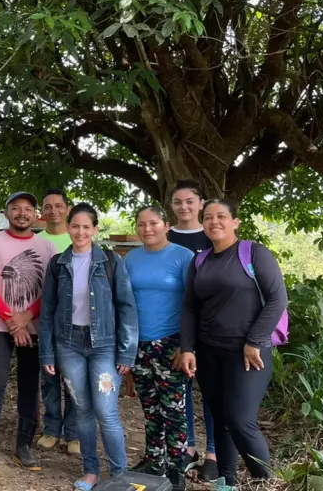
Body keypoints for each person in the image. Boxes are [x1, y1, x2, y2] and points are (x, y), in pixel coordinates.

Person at [180, 199, 288, 485]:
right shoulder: (200, 260)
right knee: (221, 420)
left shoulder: (254, 253)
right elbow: (190, 306)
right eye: (208, 217)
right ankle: (226, 482)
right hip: (208, 351)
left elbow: (278, 298)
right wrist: (188, 347)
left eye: (221, 216)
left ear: (235, 222)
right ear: (202, 223)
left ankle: (266, 482)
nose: (214, 222)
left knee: (241, 420)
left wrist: (254, 340)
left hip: (249, 352)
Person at [39, 203, 138, 491]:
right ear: (68, 228)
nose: (80, 231)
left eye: (86, 226)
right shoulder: (58, 263)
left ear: (95, 229)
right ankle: (91, 471)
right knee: (81, 410)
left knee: (106, 411)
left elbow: (127, 307)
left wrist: (127, 351)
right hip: (68, 345)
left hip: (104, 346)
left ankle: (120, 474)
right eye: (75, 226)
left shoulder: (109, 261)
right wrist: (47, 351)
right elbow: (47, 311)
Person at [0, 192, 57, 481]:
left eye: (28, 209)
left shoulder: (46, 247)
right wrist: (13, 320)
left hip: (33, 327)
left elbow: (50, 292)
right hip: (0, 327)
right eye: (16, 208)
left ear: (36, 214)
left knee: (29, 386)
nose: (22, 213)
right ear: (6, 212)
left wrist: (26, 319)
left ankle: (24, 446)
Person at [124, 206, 194, 491]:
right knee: (150, 407)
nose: (147, 229)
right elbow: (125, 301)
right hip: (140, 343)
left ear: (167, 225)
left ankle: (177, 467)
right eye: (141, 224)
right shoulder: (131, 258)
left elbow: (194, 302)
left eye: (153, 223)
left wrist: (187, 345)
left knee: (173, 409)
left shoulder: (183, 256)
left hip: (171, 344)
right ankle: (154, 460)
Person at [167, 179, 217, 480]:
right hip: (173, 328)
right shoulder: (164, 235)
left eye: (190, 201)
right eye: (177, 202)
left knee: (210, 391)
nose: (184, 207)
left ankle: (213, 451)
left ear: (201, 203)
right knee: (179, 392)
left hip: (211, 327)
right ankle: (187, 447)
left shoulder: (213, 234)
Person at [35, 188, 80, 455]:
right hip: (46, 319)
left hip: (77, 323)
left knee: (74, 380)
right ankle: (52, 429)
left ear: (68, 208)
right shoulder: (36, 240)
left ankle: (73, 434)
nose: (54, 211)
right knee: (49, 378)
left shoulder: (76, 237)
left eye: (59, 206)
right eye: (48, 206)